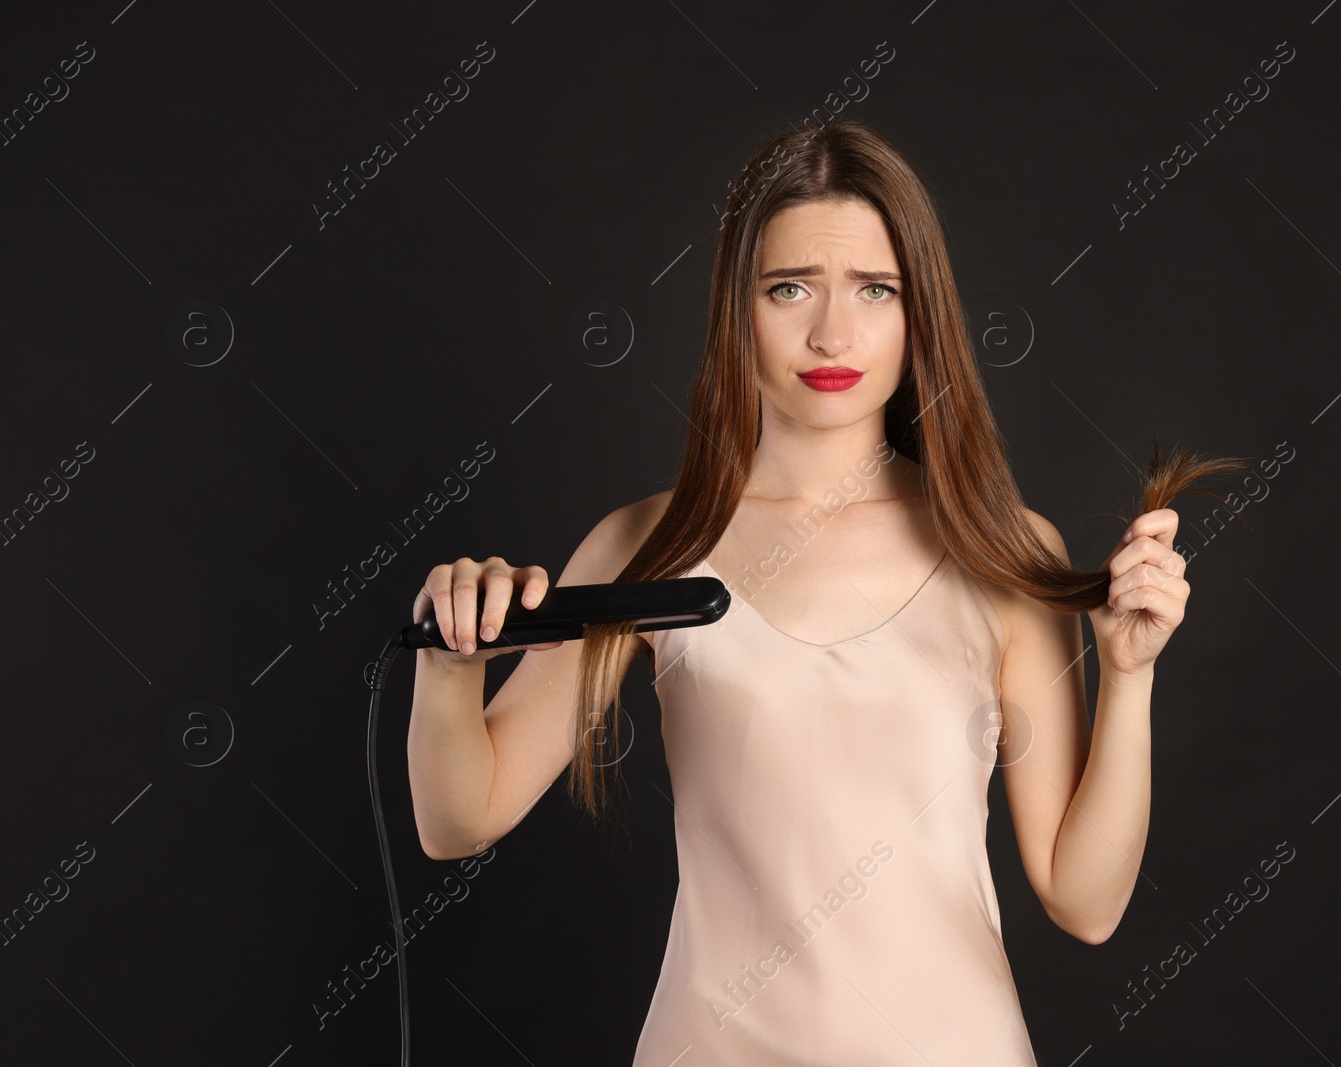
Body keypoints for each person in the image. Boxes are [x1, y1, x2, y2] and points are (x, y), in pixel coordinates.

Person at [407, 120, 1241, 1065]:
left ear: (920, 311)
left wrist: (1129, 677)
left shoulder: (1003, 551)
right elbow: (456, 819)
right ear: (737, 309)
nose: (832, 333)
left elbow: (1084, 902)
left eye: (875, 290)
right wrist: (449, 657)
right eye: (790, 287)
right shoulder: (646, 546)